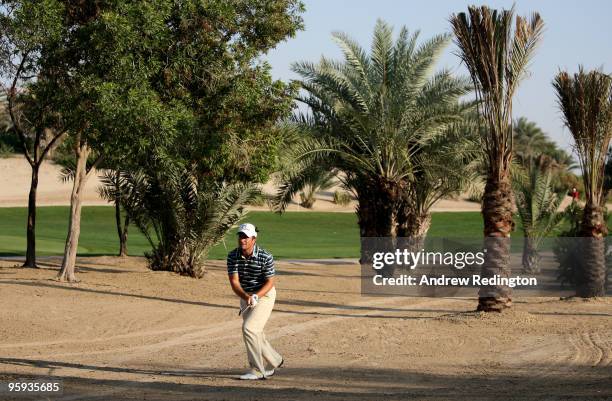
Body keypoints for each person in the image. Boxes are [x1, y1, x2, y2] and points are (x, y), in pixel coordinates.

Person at [227, 223, 284, 380]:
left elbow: (270, 282)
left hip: (264, 295)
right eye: (240, 236)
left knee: (249, 329)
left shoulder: (266, 256)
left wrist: (256, 296)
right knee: (255, 332)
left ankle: (257, 370)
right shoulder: (233, 256)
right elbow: (234, 282)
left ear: (254, 239)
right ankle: (275, 360)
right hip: (246, 295)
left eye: (246, 237)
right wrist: (247, 297)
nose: (242, 239)